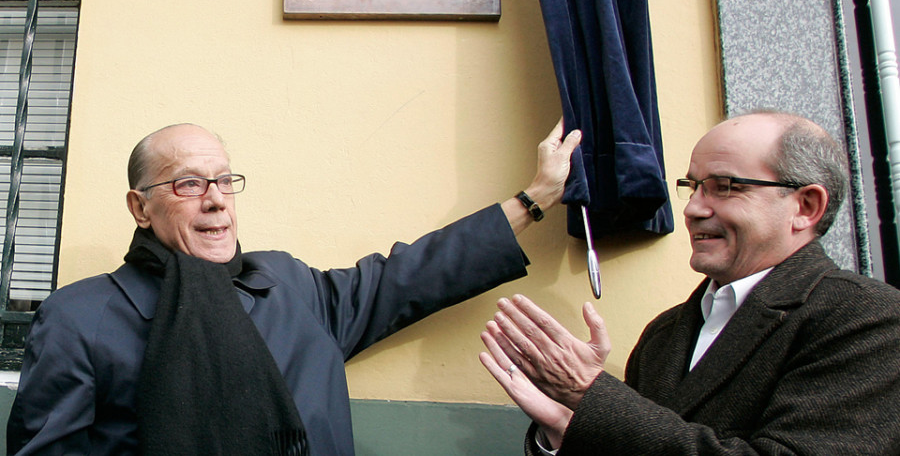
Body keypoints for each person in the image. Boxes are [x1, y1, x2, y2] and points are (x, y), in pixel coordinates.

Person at [6, 120, 582, 456]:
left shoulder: (285, 285)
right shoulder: (80, 317)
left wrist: (532, 200)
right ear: (140, 207)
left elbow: (407, 276)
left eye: (225, 180)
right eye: (188, 183)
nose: (216, 198)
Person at [480, 111, 900, 455]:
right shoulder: (666, 333)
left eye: (725, 187)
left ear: (806, 206)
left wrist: (593, 396)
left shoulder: (870, 320)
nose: (694, 208)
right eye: (693, 186)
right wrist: (567, 428)